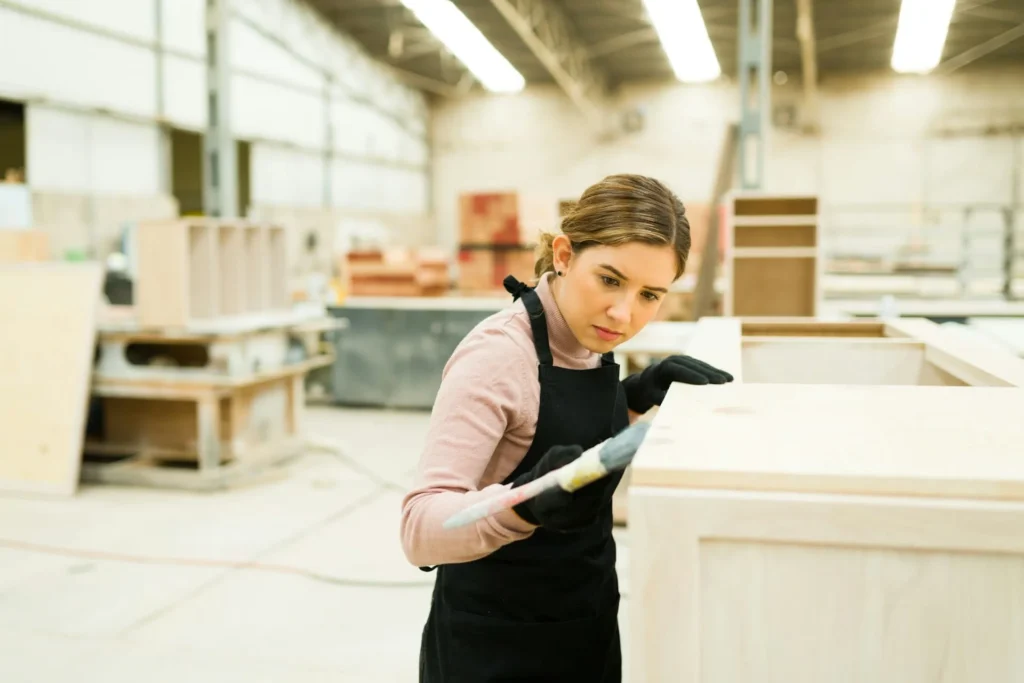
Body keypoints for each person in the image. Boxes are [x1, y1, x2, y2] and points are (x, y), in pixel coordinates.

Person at [401, 173, 734, 682]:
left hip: (585, 623)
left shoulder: (589, 335)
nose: (624, 313)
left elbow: (558, 434)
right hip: (496, 646)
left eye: (651, 295)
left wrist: (632, 397)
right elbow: (419, 530)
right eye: (610, 279)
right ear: (563, 255)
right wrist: (525, 504)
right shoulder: (498, 356)